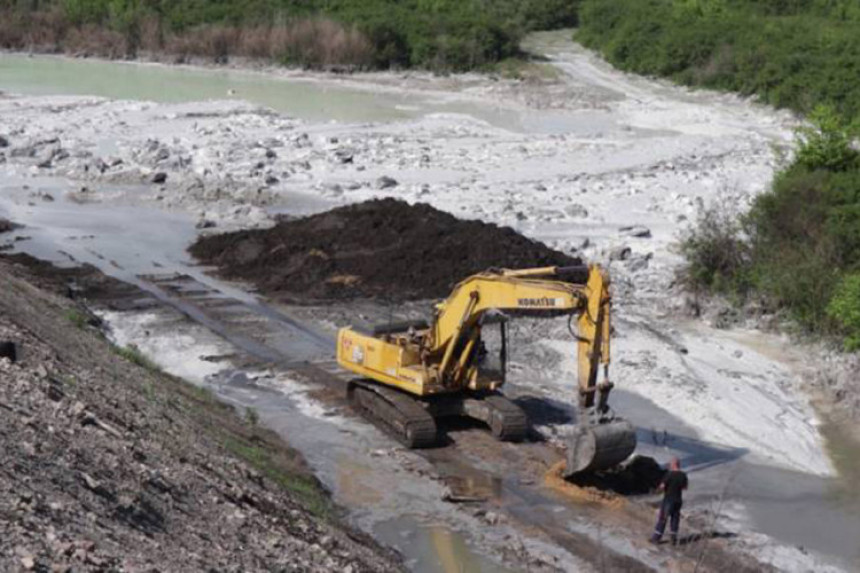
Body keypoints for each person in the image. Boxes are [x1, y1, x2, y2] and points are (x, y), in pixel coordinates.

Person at [650, 457, 688, 545]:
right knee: (675, 519)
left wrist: (656, 491)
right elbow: (685, 488)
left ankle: (656, 538)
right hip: (678, 500)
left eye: (671, 463)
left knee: (663, 518)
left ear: (674, 464)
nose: (669, 465)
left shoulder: (669, 475)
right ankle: (673, 539)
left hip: (668, 500)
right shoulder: (683, 475)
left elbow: (662, 486)